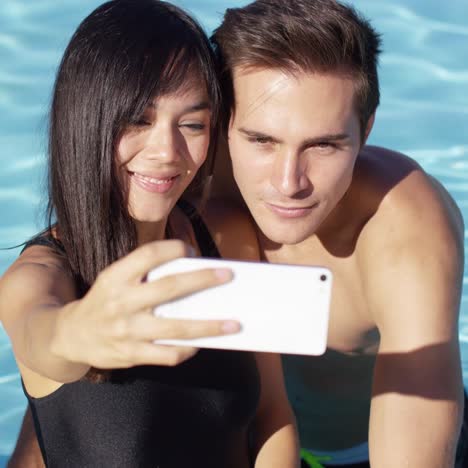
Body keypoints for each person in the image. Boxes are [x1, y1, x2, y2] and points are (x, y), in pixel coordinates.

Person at [0, 1, 298, 467]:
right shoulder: (38, 278)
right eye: (137, 118)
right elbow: (42, 335)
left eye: (193, 124)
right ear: (87, 119)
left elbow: (271, 416)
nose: (167, 151)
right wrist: (79, 334)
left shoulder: (224, 236)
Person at [210, 0, 467, 467]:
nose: (289, 183)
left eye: (323, 145)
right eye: (261, 141)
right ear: (220, 124)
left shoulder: (400, 226)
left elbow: (417, 404)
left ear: (365, 132)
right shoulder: (189, 191)